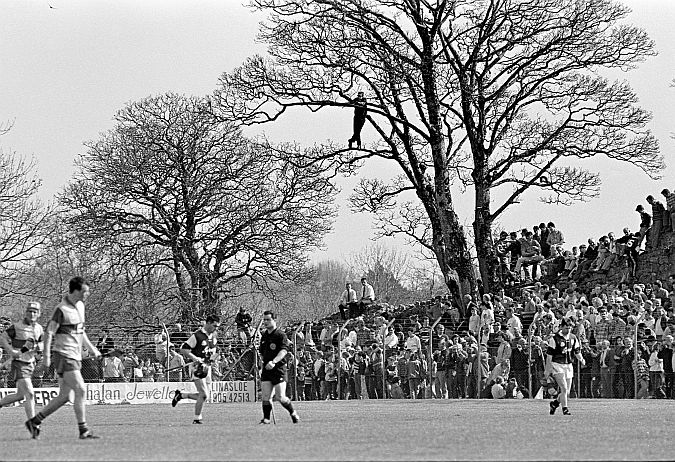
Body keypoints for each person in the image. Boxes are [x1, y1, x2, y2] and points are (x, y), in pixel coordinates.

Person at [26, 277, 102, 439]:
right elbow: (49, 332)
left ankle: (35, 421)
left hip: (74, 356)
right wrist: (46, 356)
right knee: (81, 389)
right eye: (84, 291)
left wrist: (92, 349)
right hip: (63, 355)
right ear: (75, 291)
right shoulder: (61, 310)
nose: (87, 294)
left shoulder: (80, 306)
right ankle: (83, 430)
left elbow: (81, 332)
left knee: (65, 396)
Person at [171, 314, 220, 424]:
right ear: (207, 323)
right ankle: (197, 418)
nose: (216, 328)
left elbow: (216, 351)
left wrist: (212, 360)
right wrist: (195, 358)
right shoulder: (197, 335)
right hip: (197, 367)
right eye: (214, 326)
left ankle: (181, 395)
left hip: (207, 368)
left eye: (217, 326)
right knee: (203, 394)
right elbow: (183, 349)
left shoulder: (214, 335)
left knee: (204, 396)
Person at [0, 302, 44, 420]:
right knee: (30, 393)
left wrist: (40, 347)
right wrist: (11, 351)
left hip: (30, 363)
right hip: (19, 363)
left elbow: (41, 343)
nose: (32, 313)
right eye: (29, 311)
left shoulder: (39, 328)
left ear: (39, 313)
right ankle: (33, 424)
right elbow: (3, 338)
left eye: (34, 311)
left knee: (20, 395)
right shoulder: (17, 327)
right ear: (26, 312)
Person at [258, 310, 300, 424]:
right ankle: (266, 419)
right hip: (267, 370)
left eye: (268, 320)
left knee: (280, 397)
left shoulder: (280, 335)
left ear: (274, 320)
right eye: (264, 320)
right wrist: (263, 364)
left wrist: (274, 362)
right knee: (266, 396)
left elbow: (284, 351)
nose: (265, 322)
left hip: (278, 369)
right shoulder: (264, 336)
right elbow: (262, 352)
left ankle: (293, 413)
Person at [545, 317, 585, 416]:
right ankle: (565, 409)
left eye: (570, 328)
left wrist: (582, 359)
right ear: (561, 327)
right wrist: (548, 369)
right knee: (563, 388)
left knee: (566, 392)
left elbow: (577, 351)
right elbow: (549, 356)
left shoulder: (573, 338)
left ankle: (554, 404)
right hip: (557, 365)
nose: (568, 330)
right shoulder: (554, 339)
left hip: (568, 365)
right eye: (566, 328)